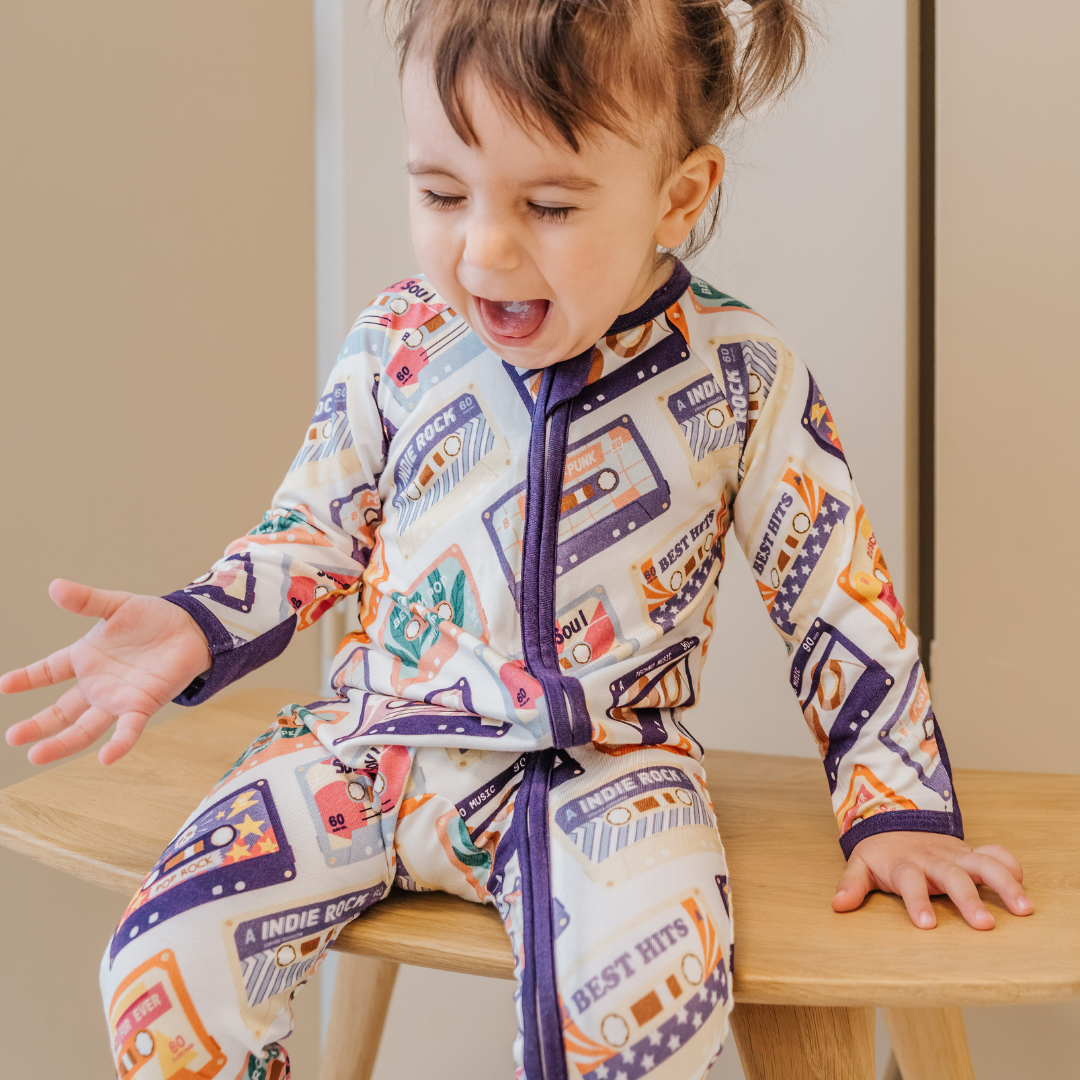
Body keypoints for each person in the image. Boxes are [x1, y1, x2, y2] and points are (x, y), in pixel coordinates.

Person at [2, 1, 1033, 1077]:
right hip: (370, 739)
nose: (484, 249)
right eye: (441, 193)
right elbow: (311, 531)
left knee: (643, 1022)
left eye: (548, 205)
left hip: (602, 770)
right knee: (162, 960)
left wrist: (897, 809)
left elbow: (836, 598)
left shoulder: (740, 376)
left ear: (679, 195)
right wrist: (196, 621)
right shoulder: (398, 342)